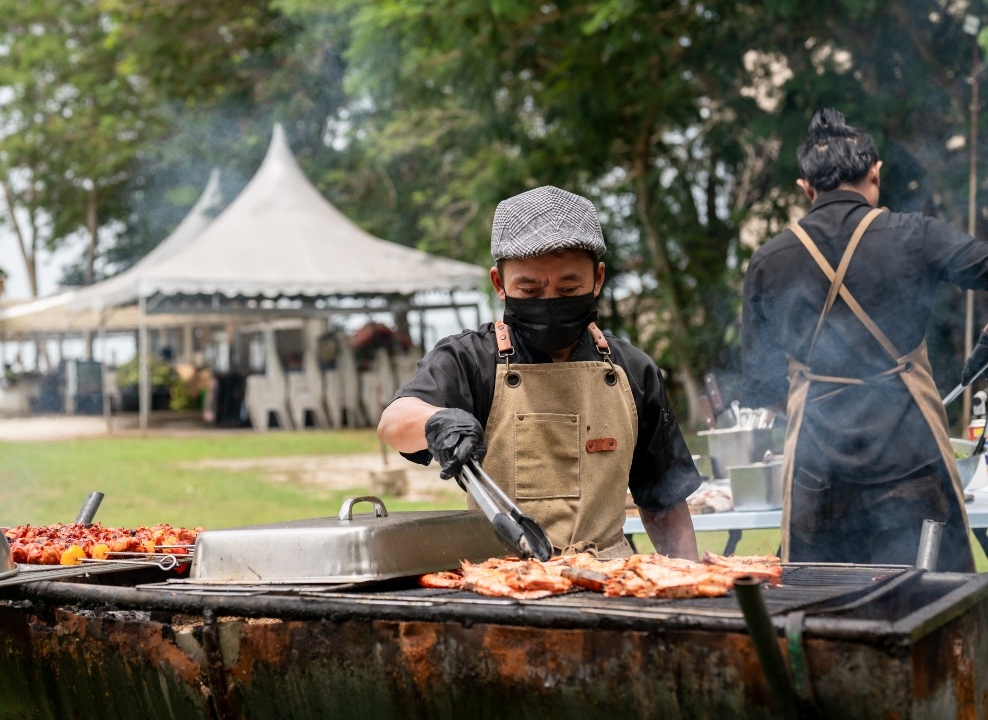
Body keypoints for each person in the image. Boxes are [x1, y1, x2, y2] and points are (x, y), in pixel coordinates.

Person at [377, 186, 702, 560]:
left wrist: (690, 581)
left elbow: (664, 499)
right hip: (503, 580)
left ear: (597, 279)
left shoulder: (632, 369)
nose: (549, 303)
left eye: (569, 289)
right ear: (499, 285)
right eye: (529, 291)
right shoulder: (470, 360)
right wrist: (436, 422)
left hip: (613, 580)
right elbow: (394, 422)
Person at [741, 108, 988, 571]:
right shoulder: (915, 235)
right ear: (875, 173)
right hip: (912, 466)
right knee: (934, 610)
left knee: (824, 615)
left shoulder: (768, 260)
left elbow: (761, 385)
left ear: (806, 187)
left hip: (817, 479)